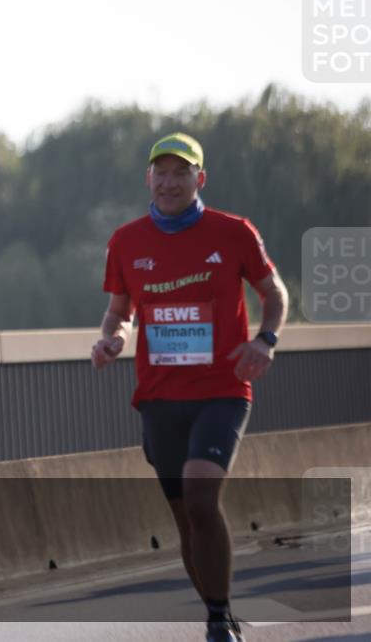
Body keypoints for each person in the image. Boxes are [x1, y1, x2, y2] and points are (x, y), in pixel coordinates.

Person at [91, 133, 288, 642]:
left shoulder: (233, 232)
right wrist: (113, 339)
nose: (170, 182)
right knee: (185, 520)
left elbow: (273, 292)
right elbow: (119, 312)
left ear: (200, 178)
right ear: (148, 179)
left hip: (222, 389)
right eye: (161, 172)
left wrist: (265, 340)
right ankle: (217, 610)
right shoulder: (126, 241)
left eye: (181, 172)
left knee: (201, 499)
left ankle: (219, 619)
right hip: (159, 397)